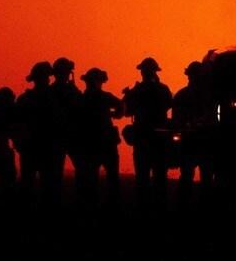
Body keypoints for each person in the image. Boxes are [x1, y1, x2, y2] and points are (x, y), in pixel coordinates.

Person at [121, 56, 172, 209]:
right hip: (158, 139)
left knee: (142, 178)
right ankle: (159, 209)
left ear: (142, 72)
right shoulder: (163, 89)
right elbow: (168, 105)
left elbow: (126, 112)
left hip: (143, 138)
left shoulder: (137, 91)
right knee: (160, 178)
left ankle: (144, 210)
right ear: (155, 72)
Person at [72, 68, 124, 209]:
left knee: (94, 177)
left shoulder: (81, 99)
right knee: (105, 177)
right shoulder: (103, 97)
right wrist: (115, 114)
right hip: (99, 143)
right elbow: (120, 108)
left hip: (96, 143)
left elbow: (120, 107)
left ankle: (95, 205)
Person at [14, 61, 57, 206]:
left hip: (41, 148)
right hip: (39, 148)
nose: (48, 79)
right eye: (46, 76)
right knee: (40, 186)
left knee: (41, 186)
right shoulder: (54, 98)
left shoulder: (24, 99)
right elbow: (16, 125)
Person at [171, 61, 212, 208]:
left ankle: (184, 207)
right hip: (202, 142)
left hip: (191, 142)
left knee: (188, 176)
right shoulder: (210, 97)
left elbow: (175, 122)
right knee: (205, 177)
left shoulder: (182, 95)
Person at [50, 56, 80, 194]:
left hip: (60, 136)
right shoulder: (71, 91)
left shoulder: (50, 91)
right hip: (68, 135)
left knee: (54, 173)